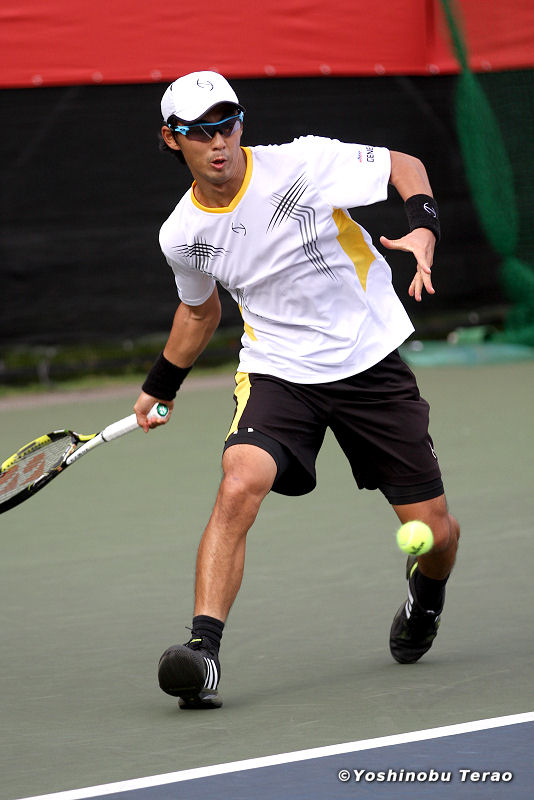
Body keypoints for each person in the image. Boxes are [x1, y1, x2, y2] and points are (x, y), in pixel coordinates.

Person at [134, 71, 460, 709]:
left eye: (226, 124)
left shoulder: (302, 165)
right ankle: (202, 653)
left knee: (435, 533)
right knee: (238, 482)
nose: (218, 142)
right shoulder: (182, 234)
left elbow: (405, 166)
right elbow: (199, 313)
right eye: (200, 131)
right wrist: (160, 386)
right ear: (172, 139)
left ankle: (426, 597)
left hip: (368, 359)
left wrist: (424, 227)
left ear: (240, 124)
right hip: (279, 370)